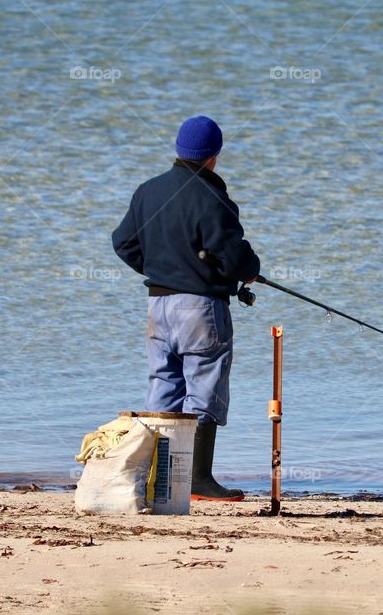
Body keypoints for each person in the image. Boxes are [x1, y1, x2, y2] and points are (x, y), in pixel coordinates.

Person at [111, 115, 260, 502]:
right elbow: (234, 257)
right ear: (214, 155)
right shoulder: (213, 198)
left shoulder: (148, 191)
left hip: (158, 304)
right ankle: (196, 480)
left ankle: (154, 478)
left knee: (162, 385)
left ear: (179, 150)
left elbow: (123, 242)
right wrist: (251, 270)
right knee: (204, 388)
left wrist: (163, 269)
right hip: (200, 308)